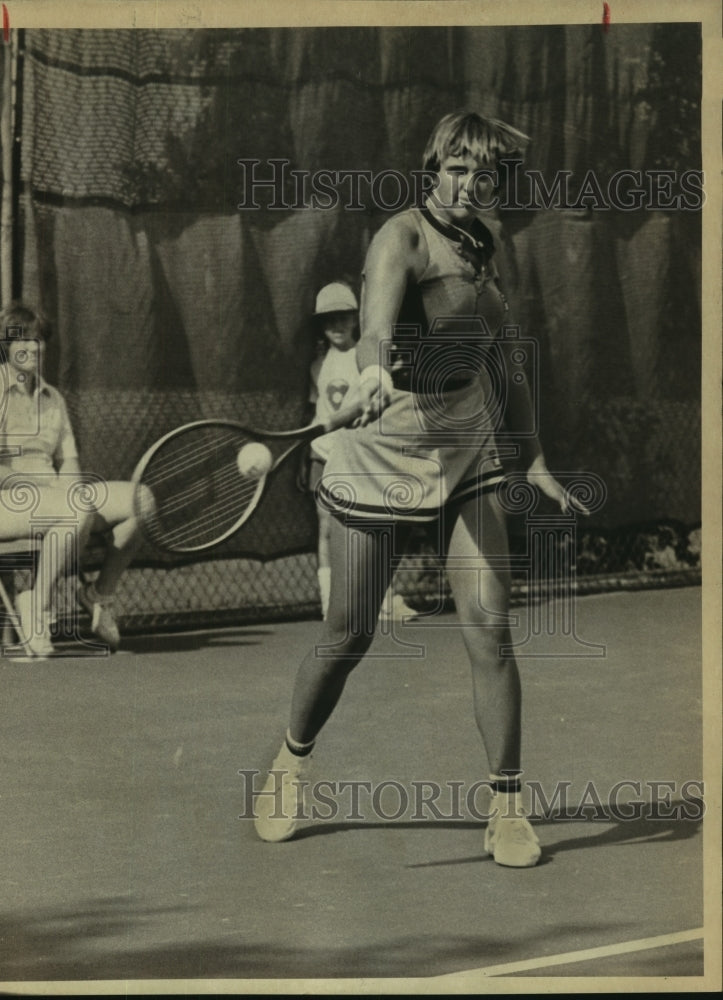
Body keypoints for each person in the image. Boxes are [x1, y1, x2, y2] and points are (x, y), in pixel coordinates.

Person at [254, 111, 590, 867]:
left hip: (464, 442)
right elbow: (376, 318)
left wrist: (531, 456)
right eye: (458, 169)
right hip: (381, 452)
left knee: (490, 625)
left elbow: (500, 356)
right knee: (350, 632)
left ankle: (506, 809)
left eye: (485, 173)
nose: (471, 184)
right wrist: (373, 368)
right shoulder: (398, 238)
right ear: (432, 166)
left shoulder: (485, 243)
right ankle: (289, 764)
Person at [0, 302, 146, 657]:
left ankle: (96, 596)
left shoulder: (54, 398)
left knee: (141, 500)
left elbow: (69, 461)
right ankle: (36, 608)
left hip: (56, 500)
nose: (34, 348)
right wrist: (54, 491)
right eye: (22, 341)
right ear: (5, 347)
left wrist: (68, 489)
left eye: (39, 340)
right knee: (75, 505)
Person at [307, 280, 418, 624]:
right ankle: (329, 605)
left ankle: (384, 600)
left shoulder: (367, 357)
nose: (337, 326)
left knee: (375, 527)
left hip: (362, 456)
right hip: (323, 456)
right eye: (329, 320)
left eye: (343, 317)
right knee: (326, 528)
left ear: (356, 319)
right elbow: (318, 410)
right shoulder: (316, 366)